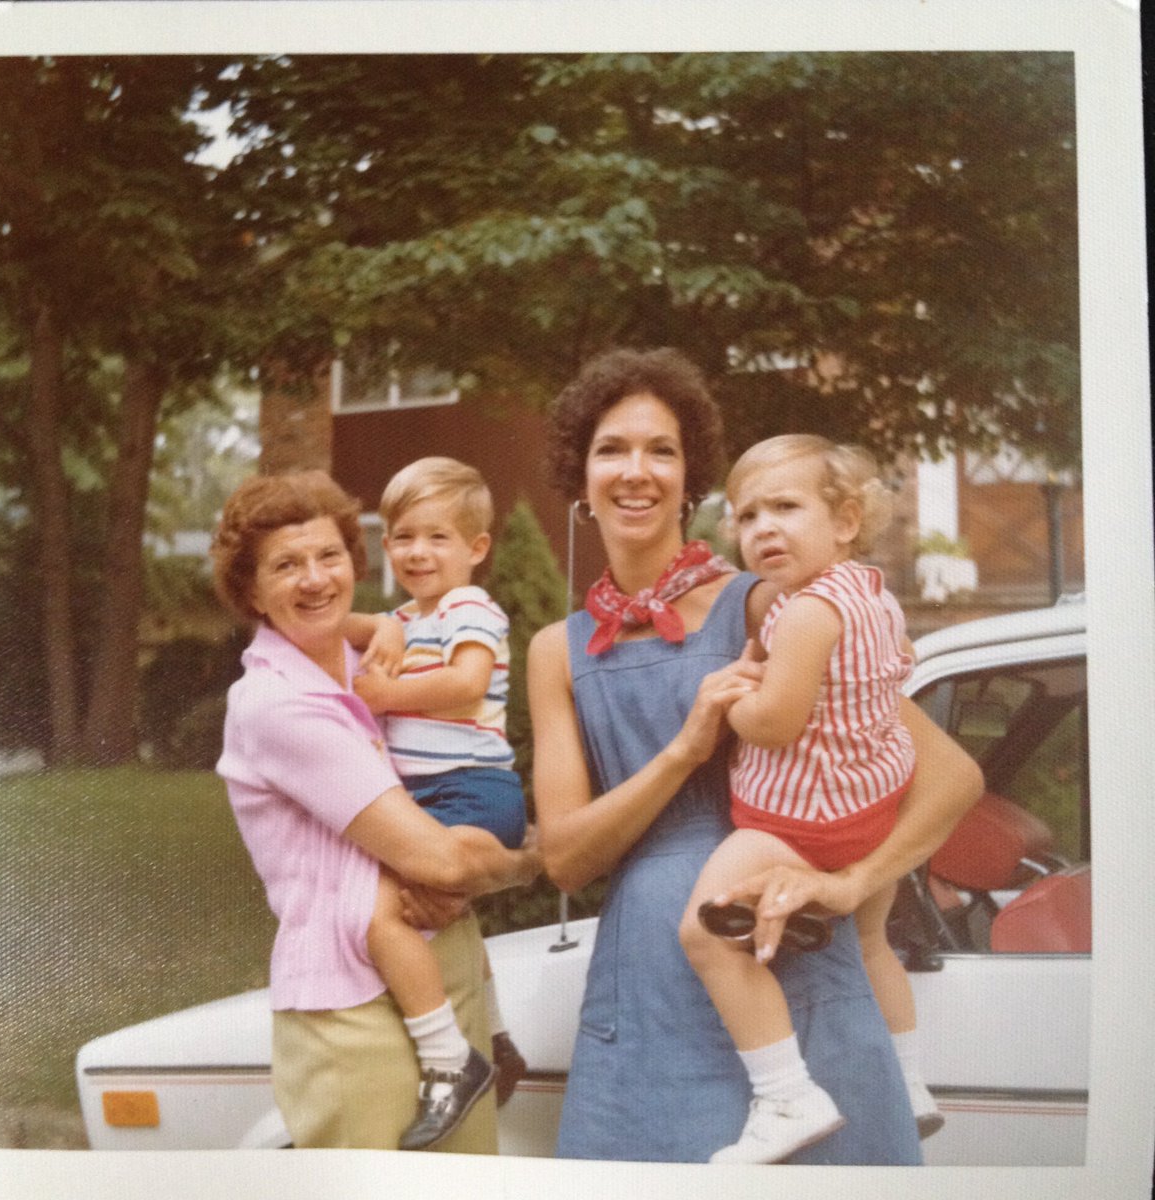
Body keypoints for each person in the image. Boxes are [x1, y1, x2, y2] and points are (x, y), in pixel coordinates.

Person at [527, 347, 983, 1164]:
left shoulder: (774, 604)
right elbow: (564, 858)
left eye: (660, 450)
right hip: (650, 983)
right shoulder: (554, 651)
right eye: (611, 449)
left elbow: (952, 777)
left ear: (691, 476)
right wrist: (685, 748)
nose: (636, 472)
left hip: (791, 964)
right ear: (581, 476)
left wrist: (847, 883)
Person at [212, 470, 538, 1152]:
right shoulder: (277, 703)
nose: (315, 579)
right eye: (286, 565)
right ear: (250, 592)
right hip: (354, 996)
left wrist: (391, 627)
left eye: (329, 556)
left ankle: (482, 1049)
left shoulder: (375, 653)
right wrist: (532, 864)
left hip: (446, 958)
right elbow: (437, 860)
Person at [679, 434, 938, 1164]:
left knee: (705, 934)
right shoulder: (872, 594)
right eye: (747, 515)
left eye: (786, 507)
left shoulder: (803, 616)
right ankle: (910, 1081)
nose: (763, 528)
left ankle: (786, 1094)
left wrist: (731, 696)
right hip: (872, 811)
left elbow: (775, 723)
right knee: (869, 941)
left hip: (800, 823)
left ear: (846, 520)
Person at [351, 458, 529, 1135]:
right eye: (402, 537)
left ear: (476, 549)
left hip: (474, 789)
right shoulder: (405, 615)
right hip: (424, 795)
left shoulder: (469, 607)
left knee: (385, 916)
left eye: (437, 538)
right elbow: (335, 625)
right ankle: (502, 1039)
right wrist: (380, 627)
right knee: (444, 916)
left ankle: (448, 1058)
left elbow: (467, 684)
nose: (417, 552)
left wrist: (389, 693)